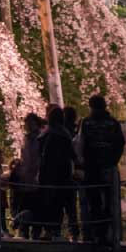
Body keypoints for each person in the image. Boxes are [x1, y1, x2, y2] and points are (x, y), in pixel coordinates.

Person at [77, 95, 124, 247]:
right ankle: (109, 233)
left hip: (91, 168)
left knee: (94, 201)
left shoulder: (86, 123)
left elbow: (81, 143)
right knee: (109, 201)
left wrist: (82, 162)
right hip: (107, 167)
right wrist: (113, 161)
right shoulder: (113, 123)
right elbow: (120, 144)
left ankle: (98, 233)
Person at [38, 101, 78, 241]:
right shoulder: (65, 134)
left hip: (50, 173)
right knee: (62, 204)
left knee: (51, 202)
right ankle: (62, 232)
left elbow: (43, 155)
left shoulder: (48, 134)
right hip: (64, 173)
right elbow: (72, 155)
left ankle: (51, 231)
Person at [10, 112, 43, 237]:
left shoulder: (37, 138)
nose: (27, 125)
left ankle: (28, 231)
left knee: (31, 206)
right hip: (28, 178)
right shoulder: (29, 138)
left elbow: (32, 158)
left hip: (33, 178)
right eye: (26, 123)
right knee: (30, 206)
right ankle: (28, 232)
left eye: (30, 123)